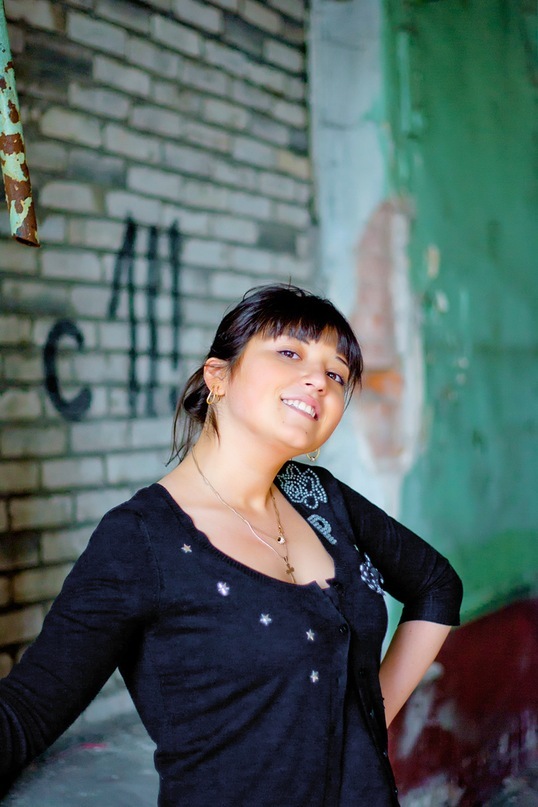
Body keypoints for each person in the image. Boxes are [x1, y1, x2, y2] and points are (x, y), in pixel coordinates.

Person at [0, 284, 462, 806]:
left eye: (336, 375)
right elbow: (25, 714)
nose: (319, 380)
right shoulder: (141, 539)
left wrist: (365, 723)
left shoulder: (322, 499)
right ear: (217, 376)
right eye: (289, 353)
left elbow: (436, 585)